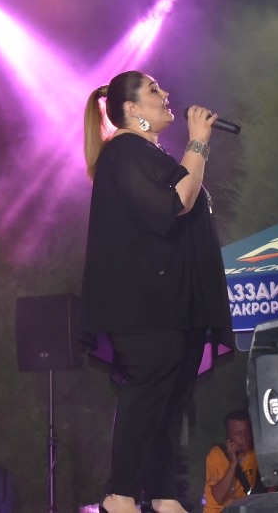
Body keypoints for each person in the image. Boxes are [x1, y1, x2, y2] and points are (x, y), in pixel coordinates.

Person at [81, 71, 232, 513]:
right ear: (132, 109)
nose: (166, 94)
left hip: (174, 303)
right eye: (153, 90)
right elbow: (174, 203)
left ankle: (163, 495)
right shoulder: (123, 152)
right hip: (143, 305)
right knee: (149, 388)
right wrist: (198, 141)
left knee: (171, 397)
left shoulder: (150, 154)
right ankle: (120, 494)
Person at [203, 410, 271, 513]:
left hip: (244, 507)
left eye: (247, 431)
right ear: (229, 436)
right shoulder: (217, 455)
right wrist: (233, 464)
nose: (244, 438)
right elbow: (218, 497)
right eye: (238, 433)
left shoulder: (255, 450)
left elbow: (274, 477)